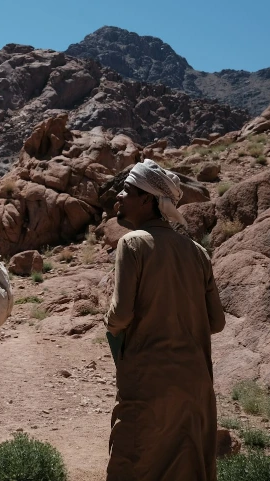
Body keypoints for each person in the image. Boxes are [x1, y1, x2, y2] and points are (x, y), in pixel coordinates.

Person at [104, 159, 225, 481]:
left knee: (133, 464)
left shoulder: (133, 244)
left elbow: (120, 315)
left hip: (149, 382)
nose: (119, 197)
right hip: (196, 387)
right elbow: (216, 323)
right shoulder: (198, 252)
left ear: (147, 199)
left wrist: (112, 328)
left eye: (127, 191)